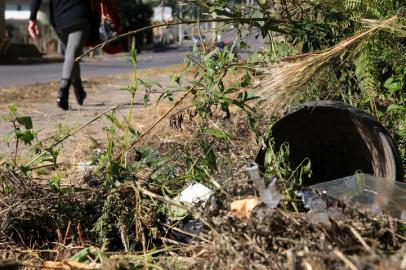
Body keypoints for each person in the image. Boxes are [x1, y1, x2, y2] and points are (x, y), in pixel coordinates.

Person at [28, 0, 93, 110]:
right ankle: (64, 91)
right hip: (77, 14)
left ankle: (78, 89)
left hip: (59, 19)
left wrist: (32, 18)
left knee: (71, 55)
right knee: (72, 55)